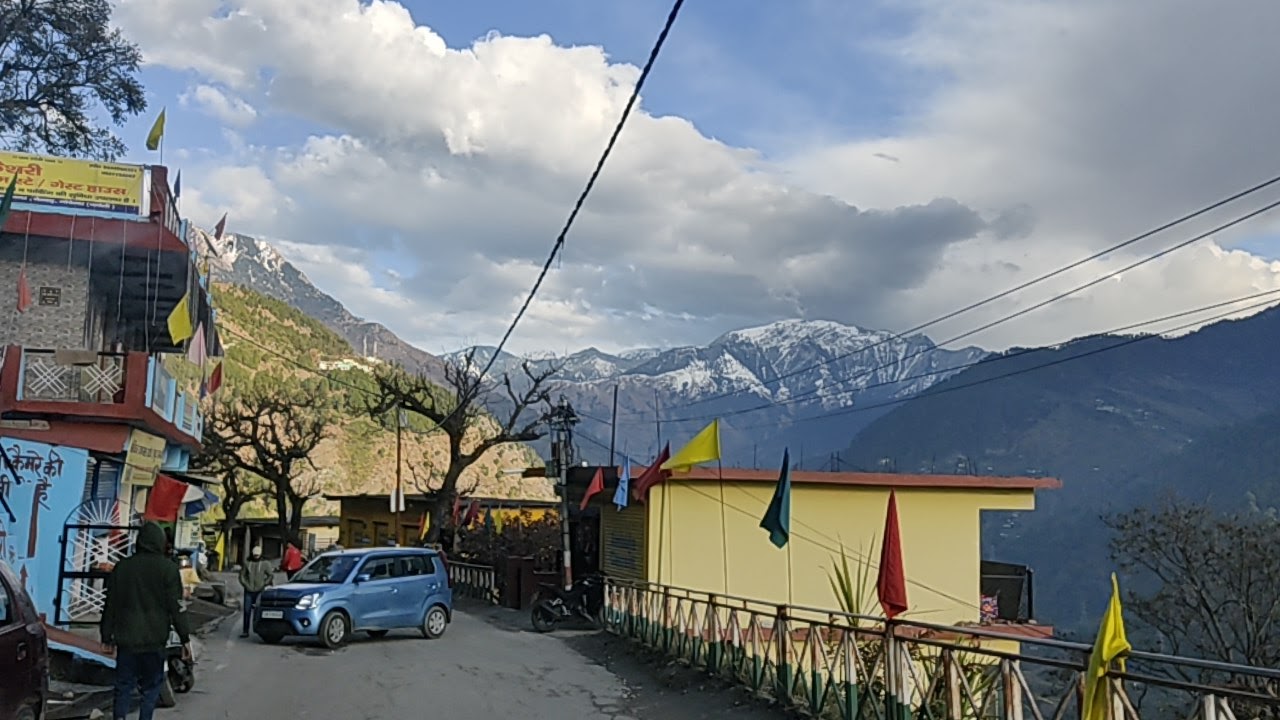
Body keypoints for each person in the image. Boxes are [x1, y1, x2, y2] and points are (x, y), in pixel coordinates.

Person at [101, 521, 191, 720]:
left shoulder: (122, 567)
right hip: (154, 640)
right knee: (151, 688)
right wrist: (185, 638)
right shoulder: (168, 569)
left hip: (126, 640)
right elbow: (177, 607)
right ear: (160, 542)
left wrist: (106, 637)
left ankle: (120, 718)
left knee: (123, 686)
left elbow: (110, 605)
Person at [238, 545, 274, 639]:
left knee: (260, 611)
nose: (256, 557)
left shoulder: (265, 563)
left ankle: (261, 630)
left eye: (257, 555)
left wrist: (264, 584)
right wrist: (245, 584)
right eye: (255, 555)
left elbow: (270, 575)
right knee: (246, 610)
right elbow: (242, 575)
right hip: (249, 590)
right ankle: (245, 631)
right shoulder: (247, 563)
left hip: (260, 590)